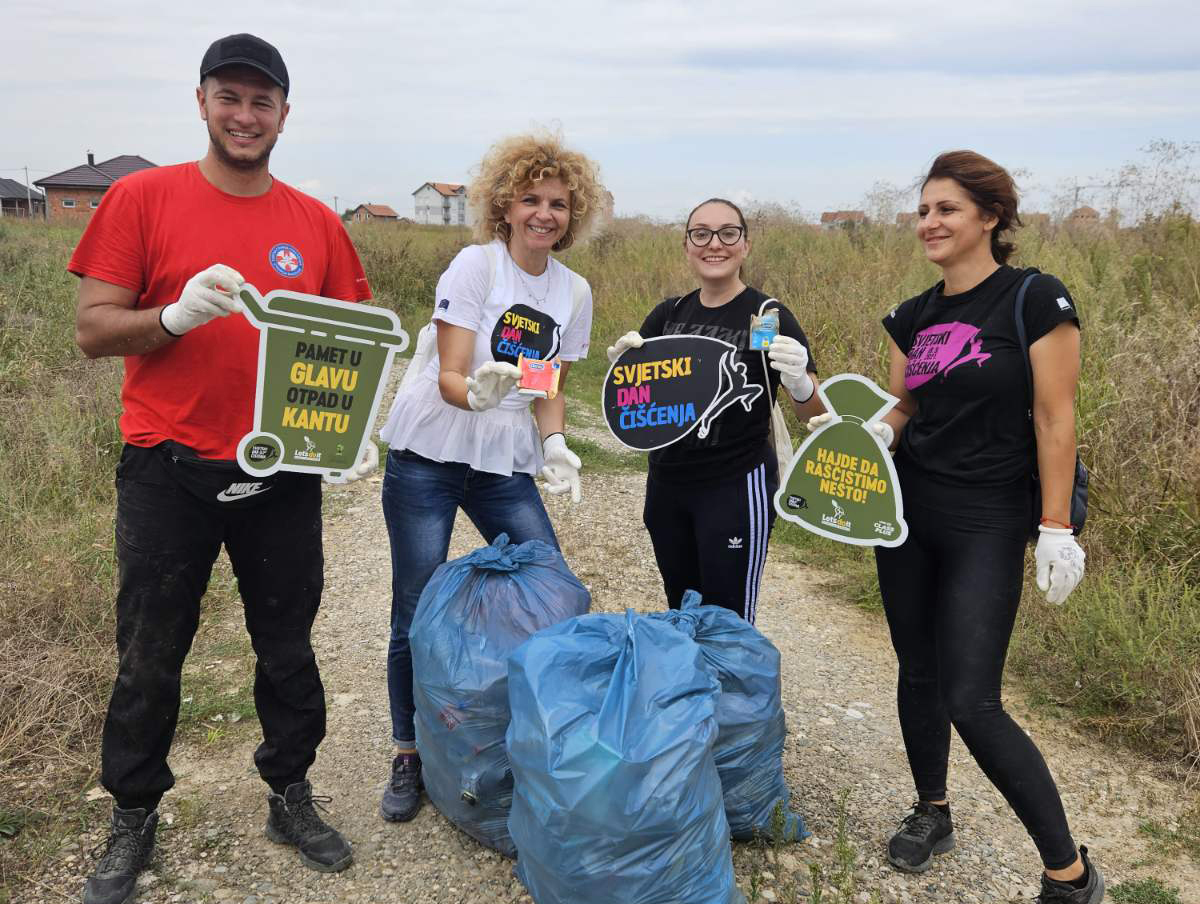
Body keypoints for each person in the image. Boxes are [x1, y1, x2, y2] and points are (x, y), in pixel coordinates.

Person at [71, 33, 374, 904]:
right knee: (151, 651)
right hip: (167, 468)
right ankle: (132, 813)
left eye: (263, 101)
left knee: (286, 645)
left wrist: (344, 437)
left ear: (284, 112)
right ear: (202, 102)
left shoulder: (314, 221)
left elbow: (345, 345)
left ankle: (289, 792)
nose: (246, 116)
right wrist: (171, 316)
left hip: (280, 473)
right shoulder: (139, 198)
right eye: (230, 98)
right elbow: (94, 329)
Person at [864, 150, 1100, 903]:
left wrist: (1057, 525)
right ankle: (932, 809)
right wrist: (879, 429)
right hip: (907, 515)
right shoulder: (915, 313)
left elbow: (1055, 416)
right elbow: (907, 404)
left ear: (991, 218)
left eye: (947, 210)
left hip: (988, 518)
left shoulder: (1032, 299)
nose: (928, 223)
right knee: (918, 671)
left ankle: (1070, 874)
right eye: (924, 210)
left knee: (973, 697)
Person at [376, 133, 604, 823]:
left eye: (558, 203)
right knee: (415, 602)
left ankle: (543, 737)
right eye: (530, 199)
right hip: (431, 453)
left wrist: (556, 442)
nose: (544, 213)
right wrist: (471, 393)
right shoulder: (476, 267)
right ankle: (409, 750)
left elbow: (547, 385)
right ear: (503, 206)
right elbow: (450, 374)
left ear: (574, 213)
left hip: (502, 462)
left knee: (550, 588)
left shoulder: (573, 291)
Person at [606, 198, 824, 624]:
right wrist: (621, 373)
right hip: (667, 486)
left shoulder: (765, 318)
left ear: (744, 246)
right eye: (700, 234)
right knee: (681, 610)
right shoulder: (670, 315)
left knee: (727, 621)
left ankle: (734, 691)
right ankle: (691, 689)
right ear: (687, 246)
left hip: (734, 487)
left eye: (728, 233)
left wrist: (799, 381)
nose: (714, 244)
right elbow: (637, 402)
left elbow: (810, 412)